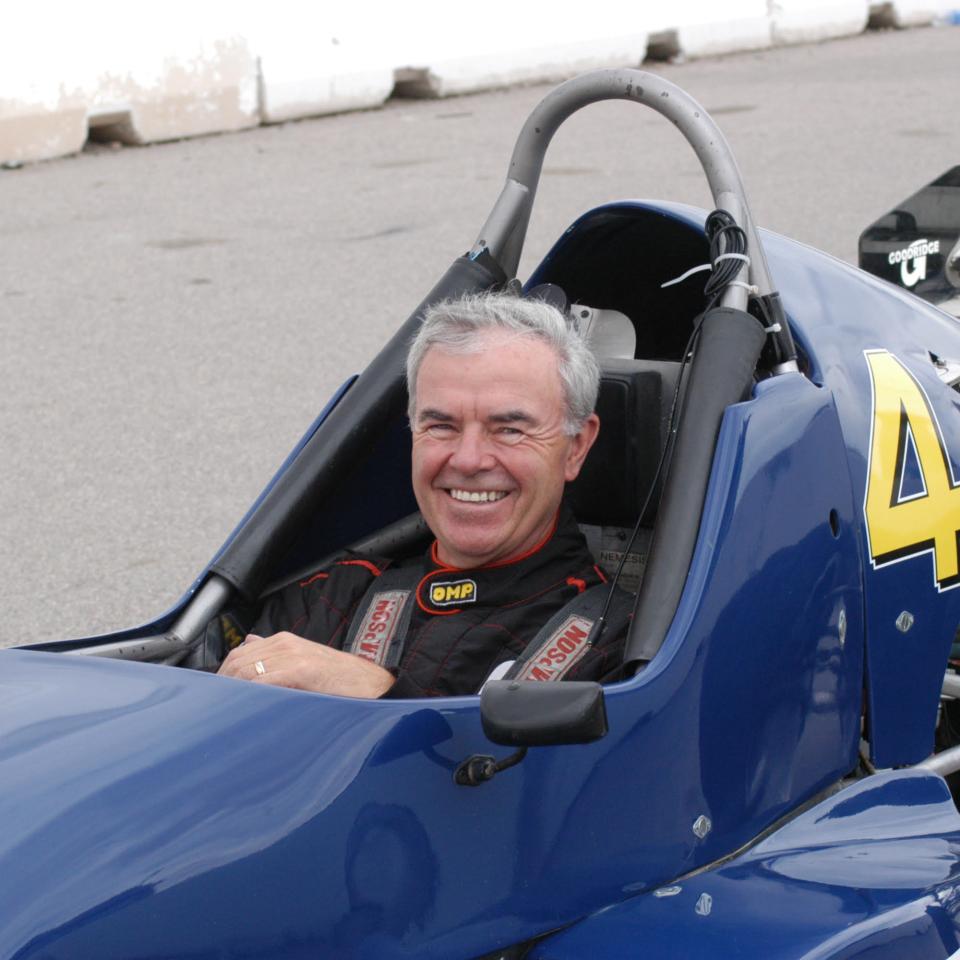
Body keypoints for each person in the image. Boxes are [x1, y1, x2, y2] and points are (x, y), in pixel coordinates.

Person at [217, 292, 629, 697]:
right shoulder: (333, 594)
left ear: (576, 446)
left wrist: (381, 693)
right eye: (442, 426)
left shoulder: (618, 644)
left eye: (509, 429)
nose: (468, 460)